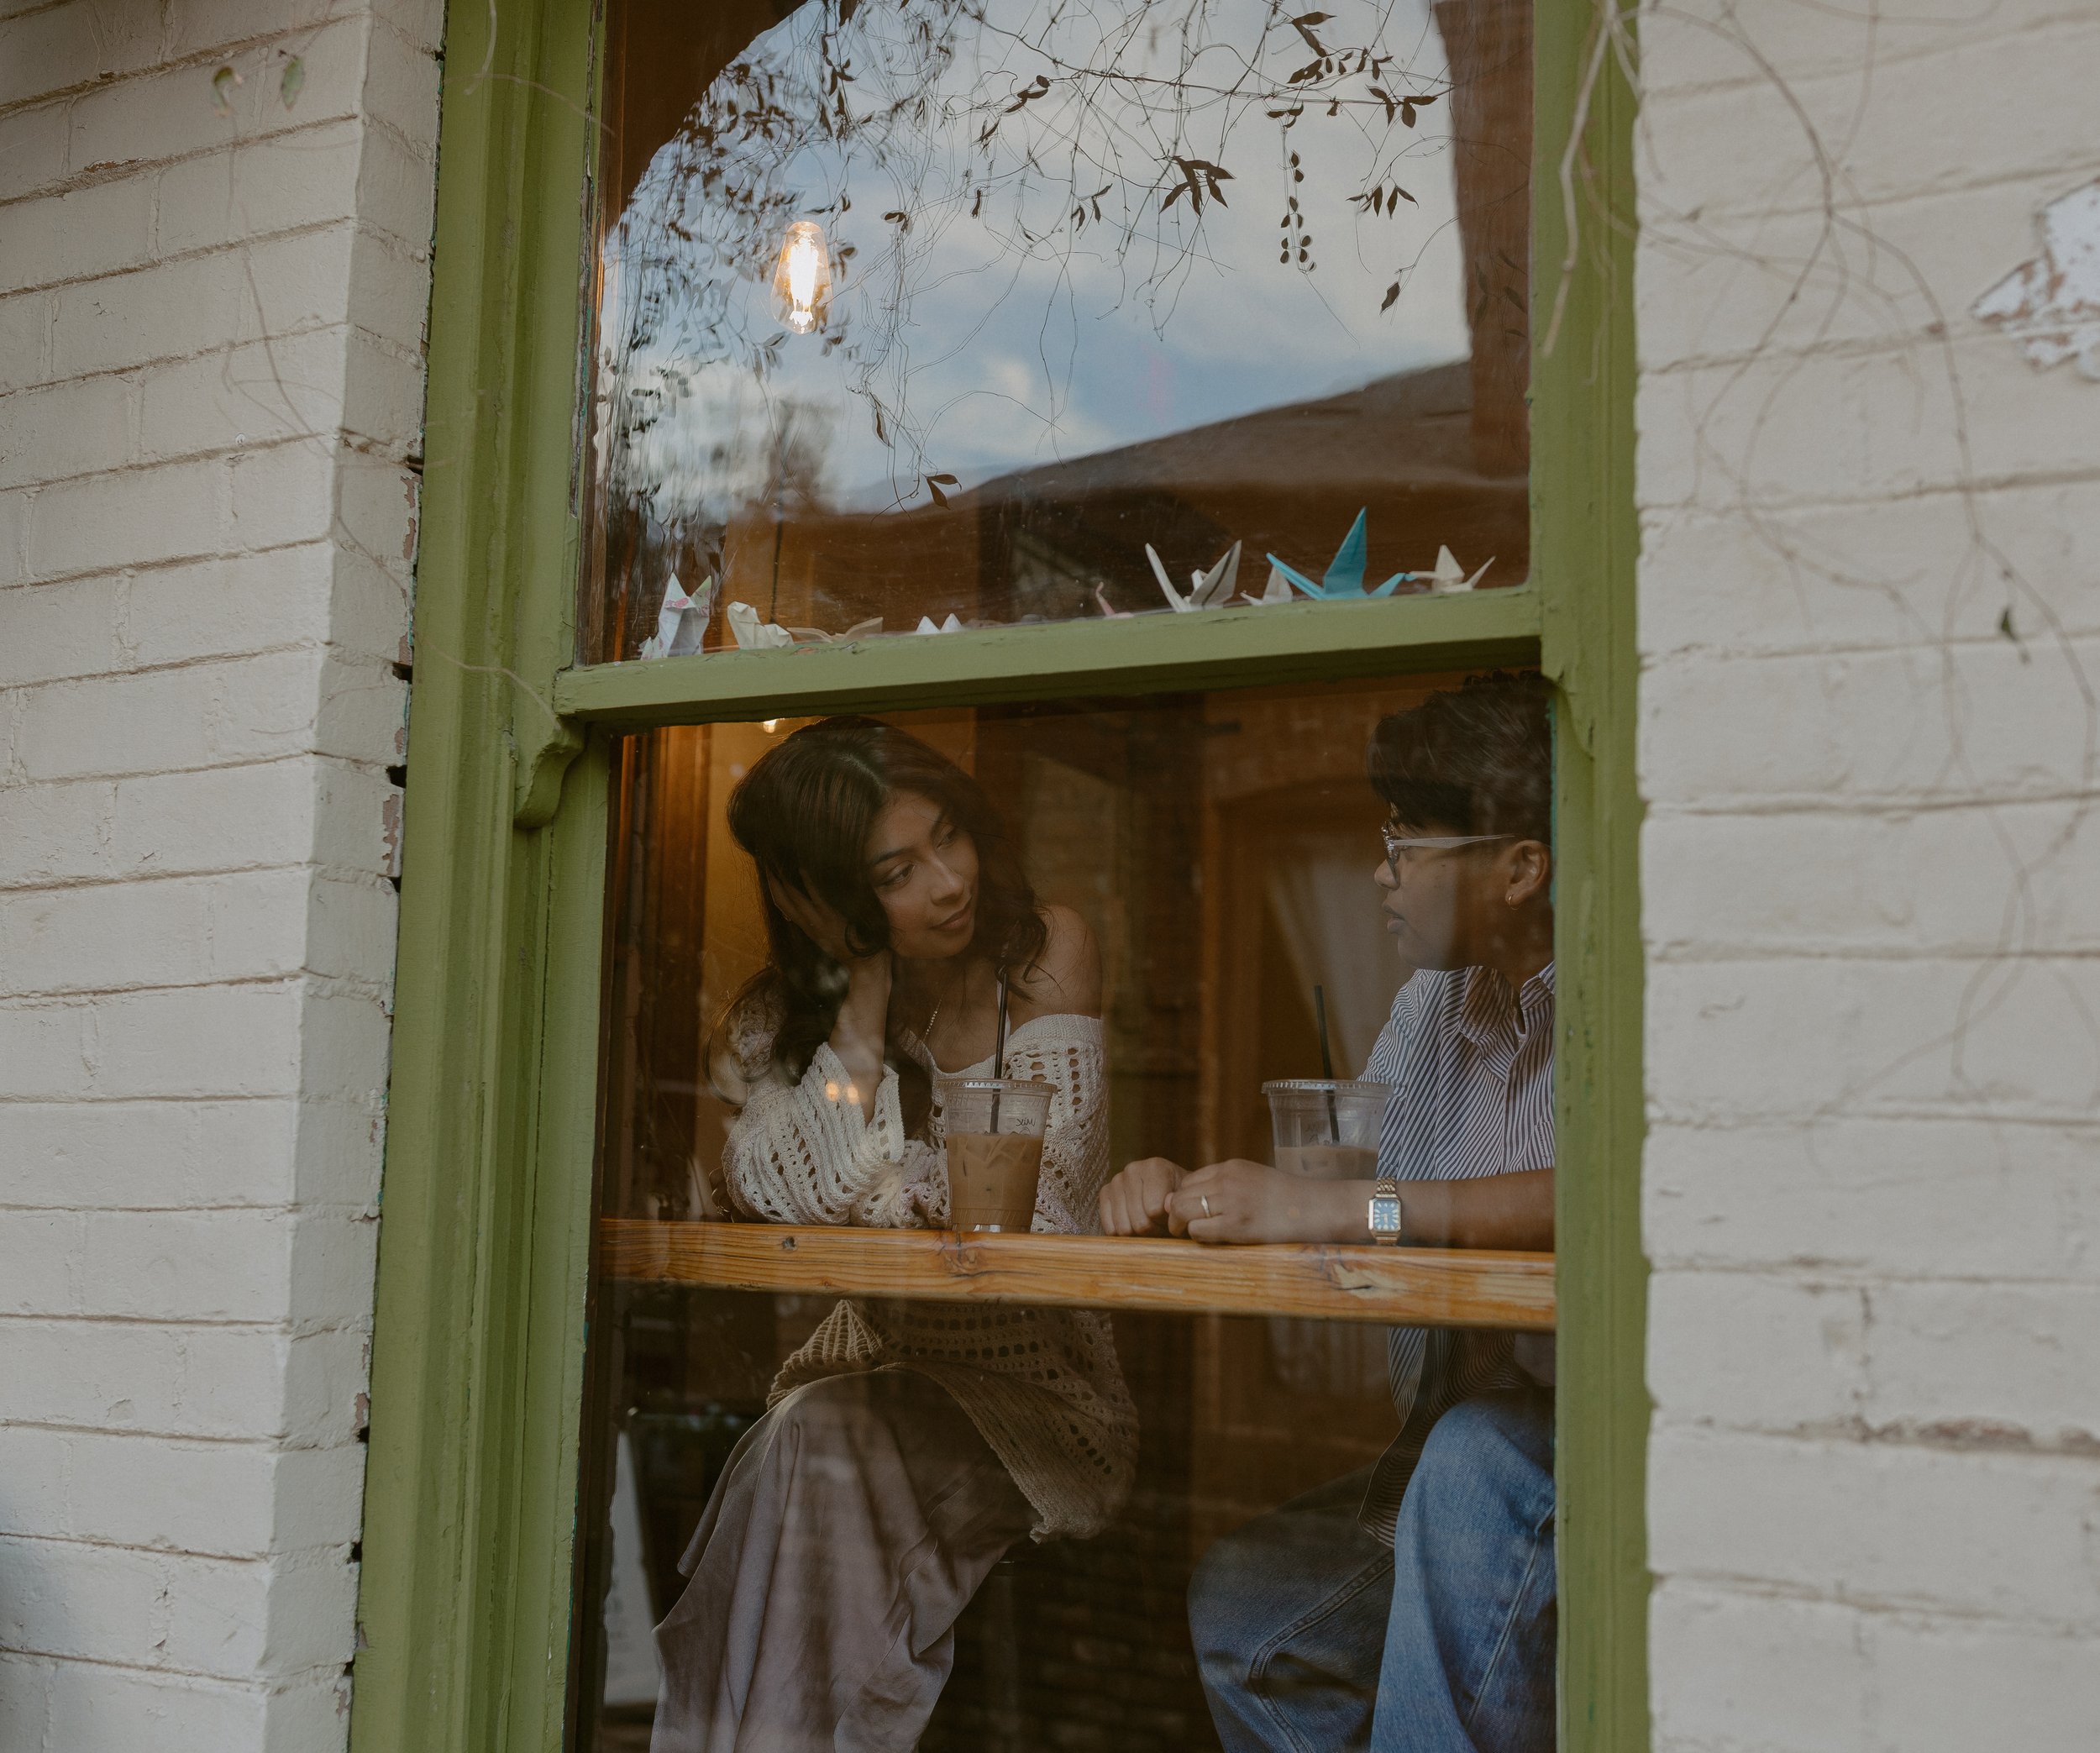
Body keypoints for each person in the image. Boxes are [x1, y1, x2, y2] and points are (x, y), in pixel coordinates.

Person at [651, 716, 1135, 1753]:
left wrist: (882, 1177)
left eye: (948, 837)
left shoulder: (1044, 956)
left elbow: (1039, 1207)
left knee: (812, 1443)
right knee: (806, 1439)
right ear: (826, 902)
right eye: (895, 872)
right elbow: (782, 1181)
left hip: (1036, 1405)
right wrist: (861, 1012)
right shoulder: (786, 1020)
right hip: (867, 1383)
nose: (950, 882)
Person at [1099, 671, 1557, 1752]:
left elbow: (1585, 1197)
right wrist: (1188, 1192)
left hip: (1562, 1448)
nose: (1377, 869)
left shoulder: (1609, 989)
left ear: (1519, 866)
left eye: (1407, 841)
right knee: (1247, 1613)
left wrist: (1340, 1202)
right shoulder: (1428, 1004)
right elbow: (1357, 1189)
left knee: (1469, 1460)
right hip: (1439, 1445)